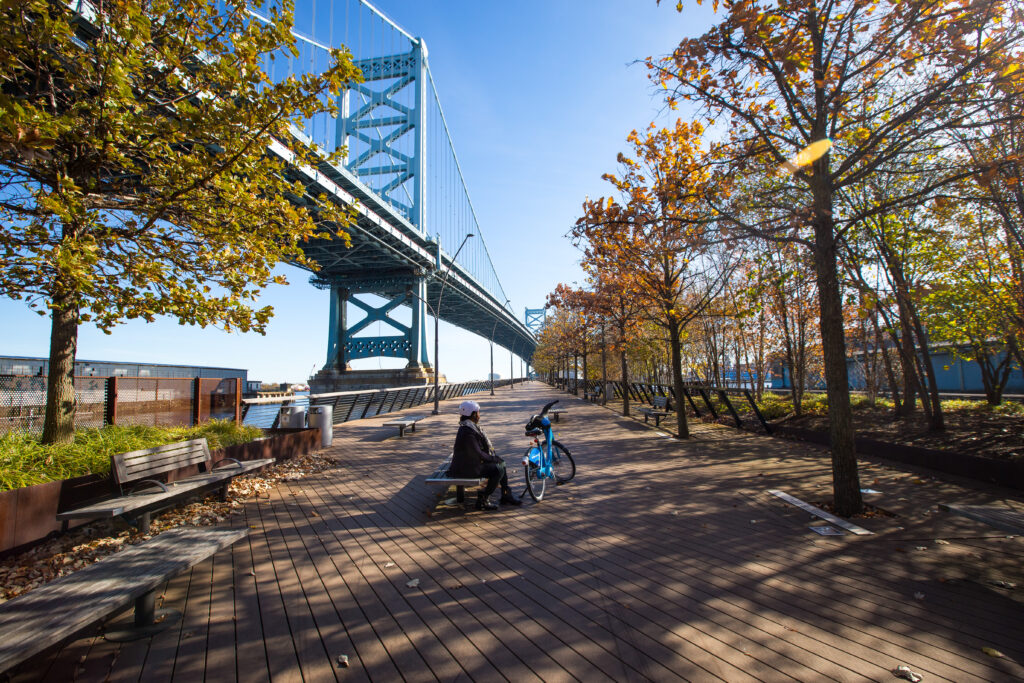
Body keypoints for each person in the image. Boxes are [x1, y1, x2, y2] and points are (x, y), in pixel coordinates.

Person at [450, 400, 521, 510]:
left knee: (501, 463)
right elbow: (477, 453)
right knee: (498, 469)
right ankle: (483, 498)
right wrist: (493, 458)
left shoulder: (468, 427)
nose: (479, 415)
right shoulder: (467, 431)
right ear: (472, 414)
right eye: (478, 412)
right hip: (466, 469)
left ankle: (506, 494)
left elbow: (476, 452)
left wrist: (494, 459)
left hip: (468, 464)